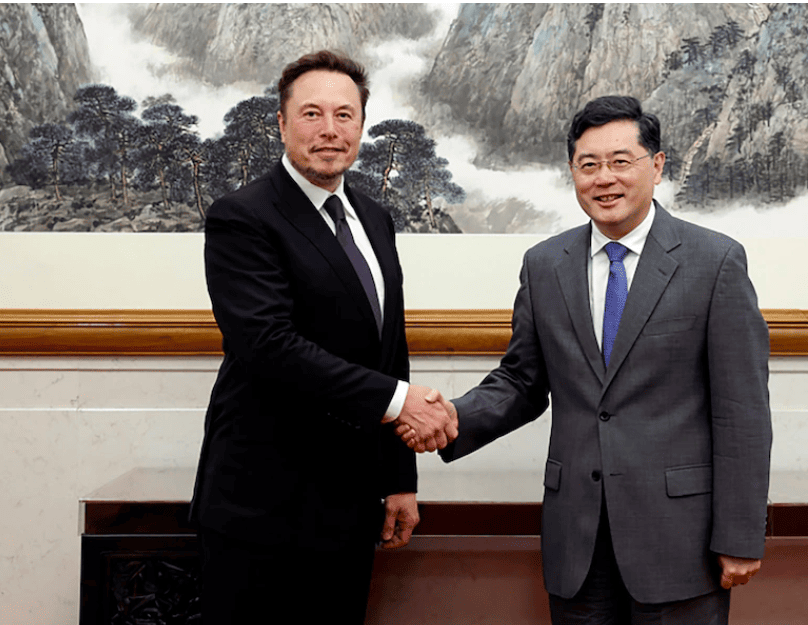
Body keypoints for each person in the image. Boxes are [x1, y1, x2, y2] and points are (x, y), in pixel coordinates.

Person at [407, 95, 772, 624]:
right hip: (576, 538)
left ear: (657, 166)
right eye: (589, 164)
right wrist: (452, 418)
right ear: (573, 172)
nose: (605, 179)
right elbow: (522, 381)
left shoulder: (714, 262)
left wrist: (740, 535)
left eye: (621, 161)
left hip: (680, 541)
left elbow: (742, 412)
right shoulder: (544, 265)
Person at [190, 50, 456, 625]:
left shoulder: (374, 218)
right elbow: (268, 345)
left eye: (344, 115)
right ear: (282, 123)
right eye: (312, 114)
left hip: (350, 506)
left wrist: (399, 480)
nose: (329, 130)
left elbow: (390, 350)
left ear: (361, 126)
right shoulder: (242, 216)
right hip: (260, 507)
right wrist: (400, 402)